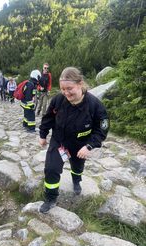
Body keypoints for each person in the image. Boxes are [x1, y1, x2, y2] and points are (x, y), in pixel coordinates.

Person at [39, 67, 109, 213]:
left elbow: (101, 129)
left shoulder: (95, 105)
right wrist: (43, 134)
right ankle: (51, 198)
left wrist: (89, 146)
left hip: (80, 145)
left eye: (69, 88)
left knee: (77, 167)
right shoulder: (58, 100)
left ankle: (76, 180)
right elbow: (48, 118)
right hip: (59, 142)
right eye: (63, 89)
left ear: (80, 84)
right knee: (51, 168)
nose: (66, 93)